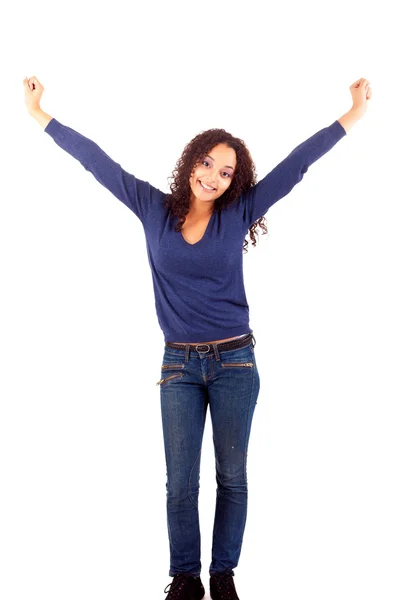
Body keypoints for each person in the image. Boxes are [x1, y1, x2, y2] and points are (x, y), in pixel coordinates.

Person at [23, 76, 372, 600]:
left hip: (235, 363)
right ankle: (185, 578)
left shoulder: (238, 213)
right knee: (180, 483)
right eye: (207, 163)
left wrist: (352, 115)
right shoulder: (151, 208)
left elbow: (298, 164)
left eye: (226, 171)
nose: (213, 176)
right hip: (178, 367)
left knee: (232, 478)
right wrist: (39, 114)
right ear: (191, 162)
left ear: (235, 181)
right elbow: (97, 162)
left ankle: (222, 575)